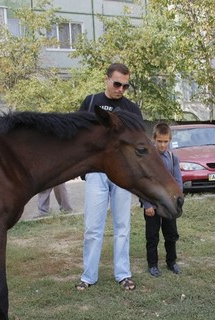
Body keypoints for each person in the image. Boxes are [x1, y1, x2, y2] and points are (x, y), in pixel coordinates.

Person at [75, 63, 142, 291]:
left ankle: (123, 274)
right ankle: (88, 276)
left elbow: (138, 144)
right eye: (117, 84)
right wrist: (84, 170)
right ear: (106, 80)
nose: (120, 89)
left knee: (122, 226)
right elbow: (79, 137)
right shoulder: (91, 102)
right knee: (93, 227)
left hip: (122, 175)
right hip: (97, 173)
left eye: (125, 86)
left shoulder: (132, 109)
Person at [141, 123, 183, 277]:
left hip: (168, 204)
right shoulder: (146, 158)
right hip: (152, 204)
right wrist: (147, 204)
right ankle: (152, 265)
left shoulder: (173, 158)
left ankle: (171, 262)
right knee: (152, 236)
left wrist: (176, 201)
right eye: (159, 141)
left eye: (166, 141)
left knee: (171, 234)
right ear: (154, 139)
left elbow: (178, 182)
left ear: (170, 140)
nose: (162, 145)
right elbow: (142, 183)